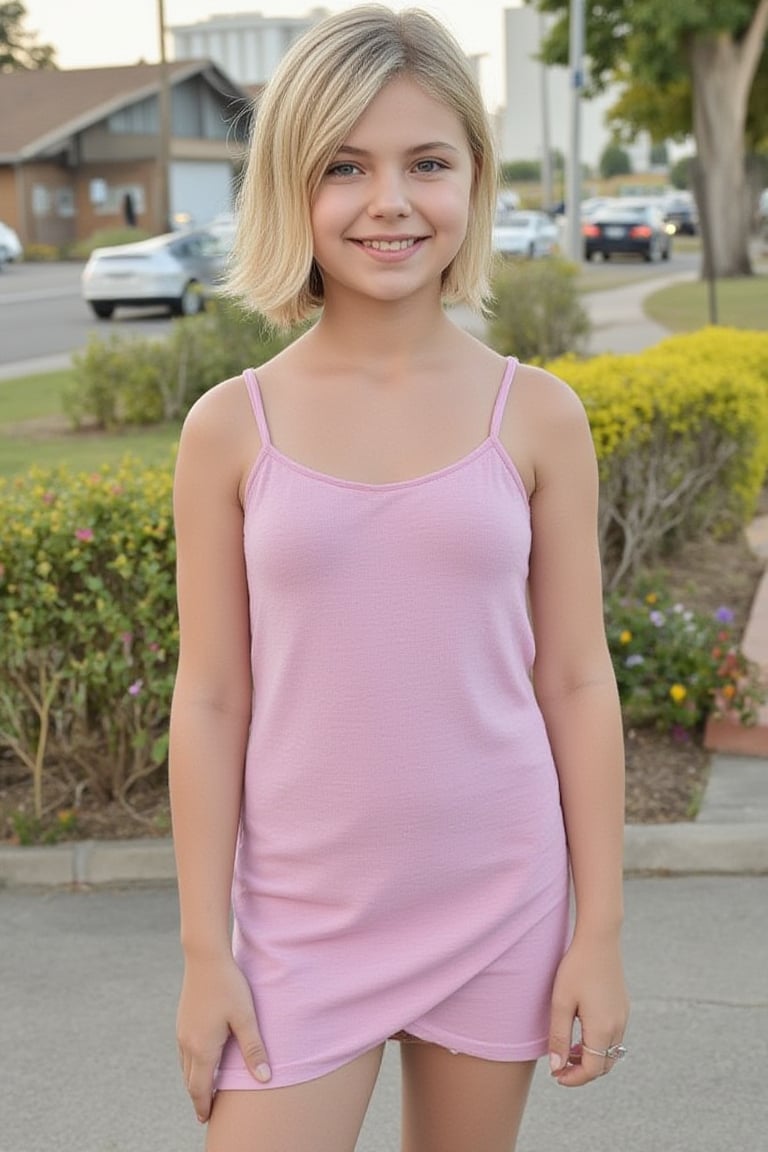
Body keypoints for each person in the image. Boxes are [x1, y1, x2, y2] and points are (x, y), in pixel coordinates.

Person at [169, 6, 629, 1151]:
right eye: (345, 166)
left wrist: (600, 931)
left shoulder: (539, 417)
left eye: (427, 162)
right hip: (301, 928)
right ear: (292, 188)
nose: (390, 201)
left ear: (473, 175)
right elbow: (213, 698)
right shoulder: (230, 429)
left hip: (499, 904)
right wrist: (201, 952)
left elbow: (575, 679)